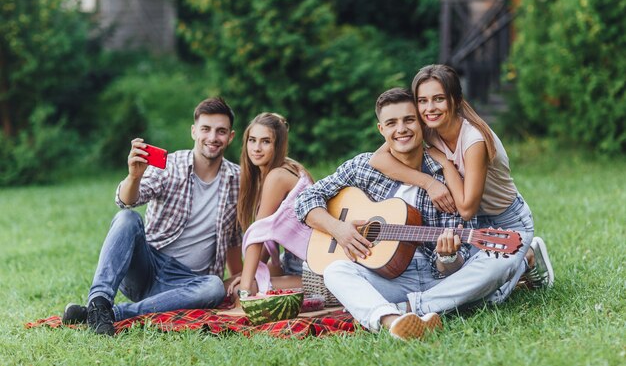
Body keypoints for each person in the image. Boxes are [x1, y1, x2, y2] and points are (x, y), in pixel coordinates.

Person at [295, 88, 476, 340]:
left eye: (409, 120)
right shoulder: (363, 167)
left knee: (483, 273)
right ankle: (393, 322)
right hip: (382, 277)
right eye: (392, 123)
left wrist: (448, 257)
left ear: (421, 123)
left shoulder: (446, 176)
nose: (401, 129)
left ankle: (406, 309)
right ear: (381, 130)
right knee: (335, 271)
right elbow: (305, 199)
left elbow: (451, 266)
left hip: (432, 276)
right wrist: (338, 228)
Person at [62, 97, 243, 336]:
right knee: (127, 218)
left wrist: (240, 280)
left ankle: (112, 314)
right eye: (206, 129)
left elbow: (232, 240)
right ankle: (99, 302)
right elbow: (126, 200)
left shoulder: (237, 180)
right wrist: (134, 177)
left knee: (214, 286)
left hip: (187, 284)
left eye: (220, 131)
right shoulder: (170, 165)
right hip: (147, 269)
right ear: (193, 132)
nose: (212, 137)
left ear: (230, 137)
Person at [370, 64, 553, 293]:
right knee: (456, 280)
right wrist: (429, 182)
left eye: (438, 99)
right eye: (422, 100)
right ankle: (520, 258)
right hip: (474, 224)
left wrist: (445, 164)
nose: (429, 108)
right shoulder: (428, 127)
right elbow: (378, 159)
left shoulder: (473, 140)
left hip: (506, 221)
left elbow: (466, 208)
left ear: (455, 100)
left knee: (487, 295)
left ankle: (526, 259)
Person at [227, 112, 314, 299]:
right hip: (291, 263)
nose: (256, 148)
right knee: (229, 282)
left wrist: (245, 289)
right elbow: (268, 235)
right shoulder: (270, 173)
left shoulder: (278, 176)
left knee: (234, 290)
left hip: (313, 273)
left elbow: (257, 235)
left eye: (265, 141)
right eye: (252, 140)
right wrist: (246, 276)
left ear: (278, 145)